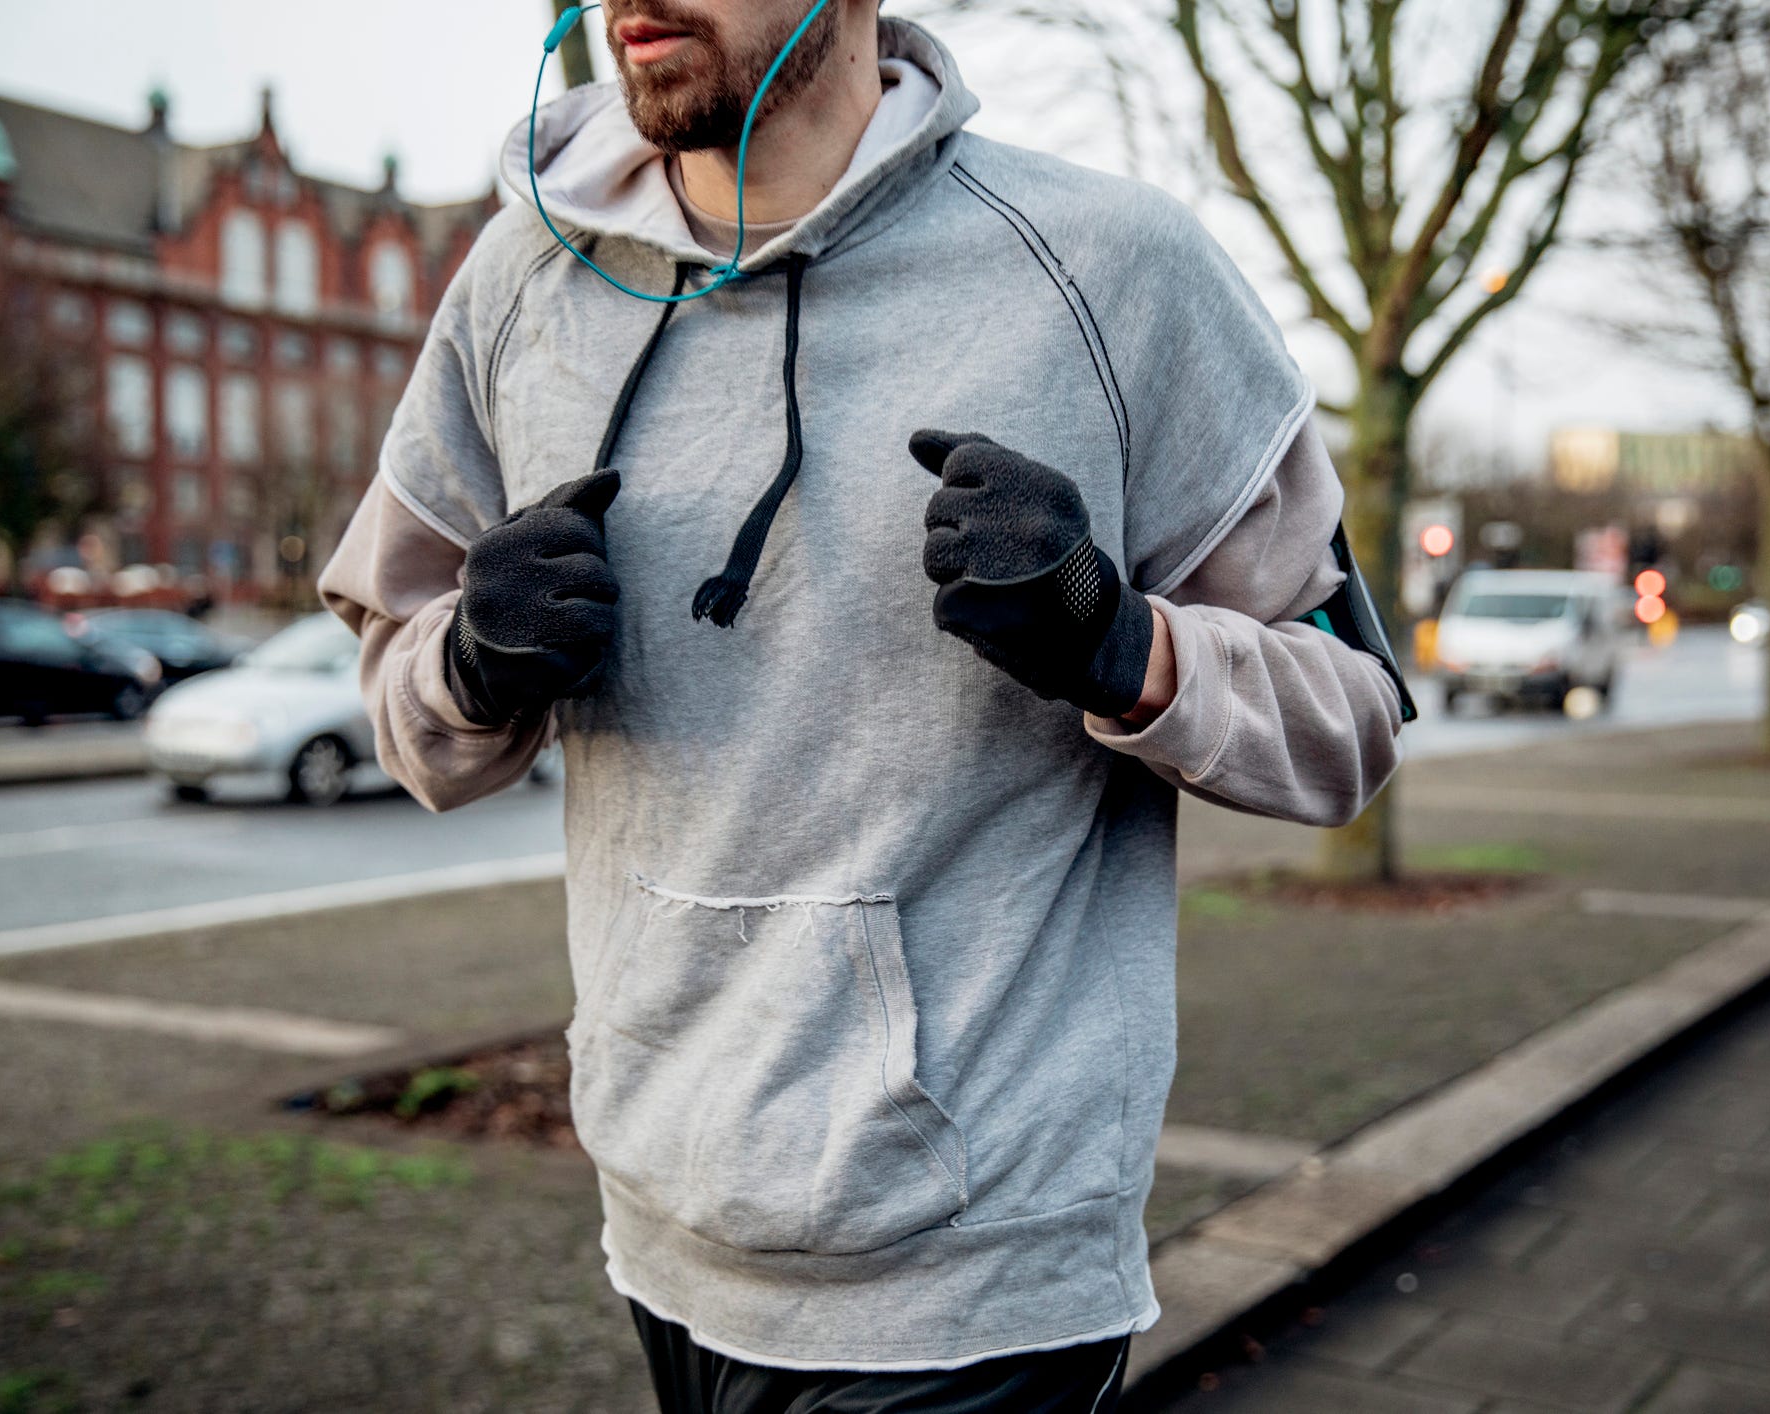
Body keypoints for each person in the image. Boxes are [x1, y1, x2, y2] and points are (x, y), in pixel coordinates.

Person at [317, 1, 1407, 1408]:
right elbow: (402, 706)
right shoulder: (522, 279)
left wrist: (1116, 640)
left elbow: (1352, 721)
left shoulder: (1111, 269)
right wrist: (472, 661)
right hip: (661, 1223)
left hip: (975, 1261)